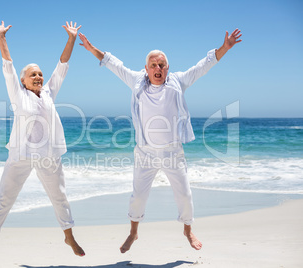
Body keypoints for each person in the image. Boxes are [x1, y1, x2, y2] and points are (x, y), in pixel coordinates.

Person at [79, 29, 242, 252]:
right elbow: (113, 64)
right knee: (138, 197)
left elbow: (202, 66)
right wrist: (91, 49)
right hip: (145, 152)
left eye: (162, 65)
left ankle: (188, 230)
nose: (158, 68)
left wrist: (225, 47)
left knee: (184, 194)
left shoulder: (178, 81)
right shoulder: (136, 81)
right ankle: (133, 233)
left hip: (172, 152)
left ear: (168, 68)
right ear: (146, 68)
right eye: (153, 65)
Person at [0, 20, 85, 258]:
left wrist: (71, 38)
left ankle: (69, 237)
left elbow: (62, 66)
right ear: (23, 80)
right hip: (20, 156)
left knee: (59, 197)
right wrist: (2, 37)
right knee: (4, 198)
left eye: (40, 74)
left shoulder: (49, 93)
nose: (39, 77)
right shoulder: (18, 94)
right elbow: (8, 66)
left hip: (48, 157)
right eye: (33, 74)